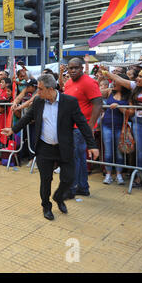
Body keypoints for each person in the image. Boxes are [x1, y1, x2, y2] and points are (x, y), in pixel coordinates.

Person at [2, 74, 99, 220]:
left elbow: (82, 124)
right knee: (45, 180)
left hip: (64, 147)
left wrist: (92, 145)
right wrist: (13, 130)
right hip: (44, 148)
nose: (37, 93)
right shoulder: (38, 102)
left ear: (51, 89)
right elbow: (27, 117)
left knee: (68, 178)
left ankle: (59, 197)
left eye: (40, 89)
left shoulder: (69, 102)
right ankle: (46, 206)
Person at [101, 67, 142, 188]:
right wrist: (106, 73)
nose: (137, 78)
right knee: (141, 153)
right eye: (137, 76)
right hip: (138, 124)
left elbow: (130, 110)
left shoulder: (130, 92)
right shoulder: (135, 88)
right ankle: (140, 179)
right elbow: (118, 79)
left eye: (140, 77)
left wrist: (120, 108)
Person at [62, 58, 102, 199]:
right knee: (78, 158)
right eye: (70, 68)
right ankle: (82, 187)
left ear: (82, 68)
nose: (72, 71)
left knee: (75, 159)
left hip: (81, 127)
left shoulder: (89, 82)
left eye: (76, 68)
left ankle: (72, 189)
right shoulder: (68, 83)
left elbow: (98, 104)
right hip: (71, 127)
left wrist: (90, 126)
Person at [100, 78, 131, 185]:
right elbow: (96, 92)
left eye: (116, 82)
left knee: (119, 153)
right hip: (107, 125)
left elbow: (129, 112)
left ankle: (118, 175)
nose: (114, 83)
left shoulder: (129, 96)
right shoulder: (109, 91)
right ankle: (108, 175)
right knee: (108, 152)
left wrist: (119, 107)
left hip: (120, 127)